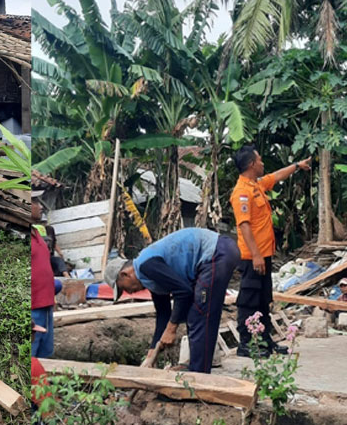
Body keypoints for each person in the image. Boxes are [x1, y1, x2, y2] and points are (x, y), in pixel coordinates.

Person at [104, 227, 240, 373]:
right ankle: (198, 367)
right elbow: (164, 314)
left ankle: (198, 376)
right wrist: (151, 353)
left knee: (199, 314)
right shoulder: (149, 278)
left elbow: (184, 292)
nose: (128, 292)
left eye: (123, 288)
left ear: (125, 275)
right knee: (197, 313)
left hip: (217, 252)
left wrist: (172, 329)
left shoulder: (146, 266)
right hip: (218, 254)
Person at [229, 143, 311, 356]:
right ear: (251, 164)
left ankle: (264, 341)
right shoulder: (242, 193)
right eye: (260, 159)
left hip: (263, 256)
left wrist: (296, 165)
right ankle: (246, 344)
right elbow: (244, 225)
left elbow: (276, 176)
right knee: (248, 300)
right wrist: (256, 255)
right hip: (250, 257)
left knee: (264, 300)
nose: (263, 163)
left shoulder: (256, 185)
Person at [31, 198, 55, 358]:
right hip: (32, 307)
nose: (41, 207)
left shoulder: (37, 233)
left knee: (45, 354)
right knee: (31, 354)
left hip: (46, 304)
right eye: (35, 203)